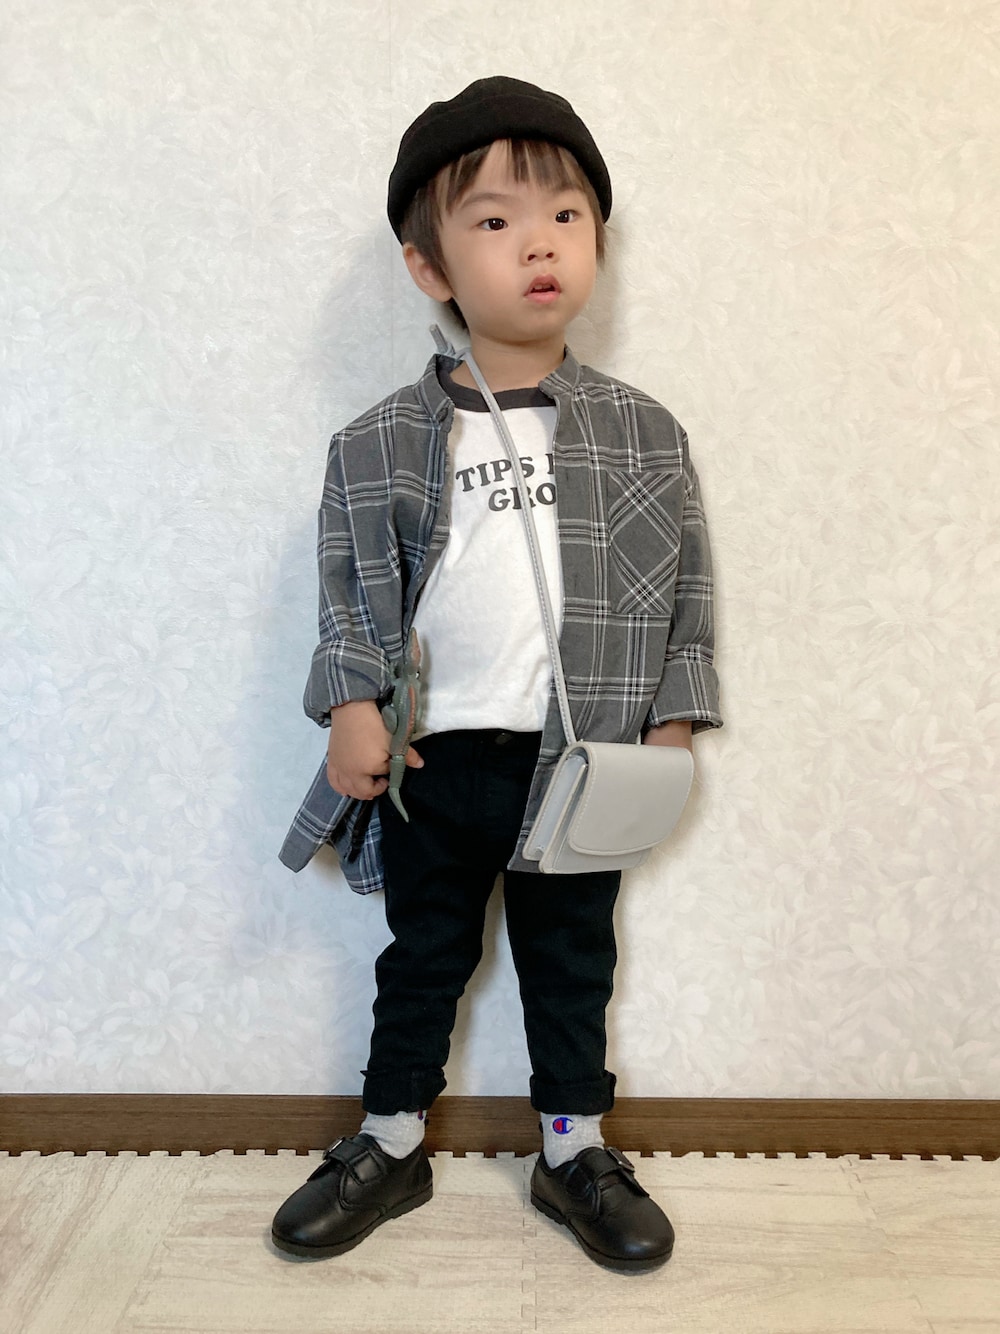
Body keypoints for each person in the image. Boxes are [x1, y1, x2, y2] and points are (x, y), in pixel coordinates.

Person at [271, 76, 722, 1273]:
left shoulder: (644, 433)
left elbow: (685, 582)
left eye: (566, 215)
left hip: (580, 764)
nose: (538, 242)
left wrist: (673, 719)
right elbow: (349, 585)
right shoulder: (378, 441)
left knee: (572, 958)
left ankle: (573, 1147)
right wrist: (351, 705)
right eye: (493, 219)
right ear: (429, 266)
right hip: (436, 758)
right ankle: (388, 1136)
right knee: (423, 952)